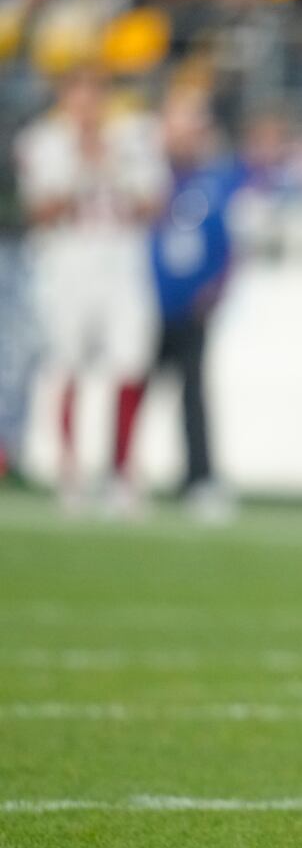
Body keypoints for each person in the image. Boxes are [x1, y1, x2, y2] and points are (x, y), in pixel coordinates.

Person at [15, 66, 169, 513]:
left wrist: (112, 163)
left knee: (130, 363)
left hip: (122, 260)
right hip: (69, 262)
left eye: (95, 94)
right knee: (68, 363)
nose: (87, 106)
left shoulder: (133, 137)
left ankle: (122, 472)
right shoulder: (44, 140)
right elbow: (42, 210)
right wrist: (83, 165)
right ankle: (70, 471)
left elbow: (152, 204)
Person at [146, 86, 243, 518]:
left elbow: (228, 247)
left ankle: (199, 479)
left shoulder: (214, 182)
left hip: (191, 309)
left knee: (193, 397)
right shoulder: (146, 178)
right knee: (130, 391)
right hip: (147, 305)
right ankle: (119, 473)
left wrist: (215, 292)